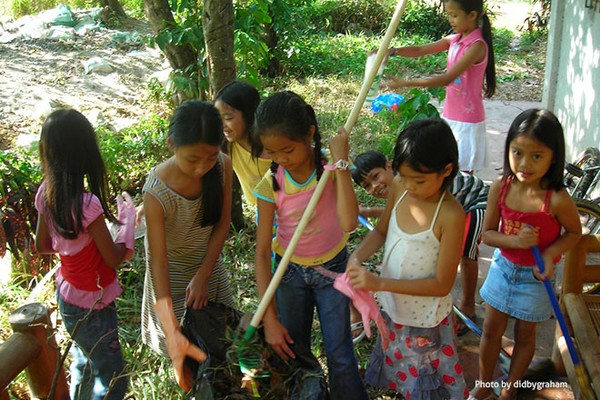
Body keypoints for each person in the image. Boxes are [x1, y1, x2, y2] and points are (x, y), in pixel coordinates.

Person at [251, 91, 367, 399]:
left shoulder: (329, 171)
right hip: (290, 275)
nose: (281, 159)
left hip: (333, 271)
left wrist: (342, 163)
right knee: (295, 353)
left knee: (340, 353)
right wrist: (270, 319)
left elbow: (349, 223)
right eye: (272, 152)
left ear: (310, 134)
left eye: (287, 149)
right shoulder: (272, 184)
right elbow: (262, 253)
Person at [347, 119, 468, 399]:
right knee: (405, 376)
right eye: (404, 176)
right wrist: (357, 256)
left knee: (426, 384)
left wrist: (379, 282)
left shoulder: (450, 215)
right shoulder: (401, 187)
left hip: (426, 321)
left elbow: (441, 285)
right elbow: (381, 230)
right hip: (393, 311)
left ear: (446, 170)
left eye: (420, 180)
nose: (410, 185)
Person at [471, 109, 582, 400]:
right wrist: (516, 241)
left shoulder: (556, 199)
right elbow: (488, 234)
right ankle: (483, 384)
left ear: (554, 157)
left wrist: (550, 254)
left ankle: (511, 389)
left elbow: (573, 233)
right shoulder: (501, 187)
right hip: (503, 268)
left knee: (525, 336)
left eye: (536, 156)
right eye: (517, 152)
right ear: (508, 148)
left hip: (536, 278)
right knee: (491, 329)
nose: (524, 163)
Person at [34, 108, 134, 400]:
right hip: (94, 305)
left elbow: (42, 245)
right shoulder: (87, 206)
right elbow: (115, 258)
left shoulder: (46, 193)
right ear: (85, 154)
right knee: (111, 376)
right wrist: (127, 222)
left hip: (67, 296)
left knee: (84, 361)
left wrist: (70, 248)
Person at [140, 100, 236, 393]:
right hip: (172, 278)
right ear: (171, 144)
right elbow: (158, 264)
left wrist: (204, 275)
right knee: (188, 365)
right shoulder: (156, 192)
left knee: (224, 343)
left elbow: (222, 223)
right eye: (192, 158)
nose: (201, 167)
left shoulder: (222, 165)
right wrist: (171, 332)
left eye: (209, 157)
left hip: (208, 268)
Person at [352, 150, 489, 336]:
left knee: (466, 254)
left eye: (375, 176)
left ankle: (468, 305)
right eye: (367, 186)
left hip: (476, 201)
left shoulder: (412, 182)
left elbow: (422, 211)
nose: (374, 186)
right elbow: (399, 212)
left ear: (389, 164)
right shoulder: (403, 186)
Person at [381, 0, 496, 173]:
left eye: (454, 15)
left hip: (467, 121)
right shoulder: (455, 40)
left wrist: (406, 83)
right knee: (447, 170)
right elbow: (420, 50)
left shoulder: (476, 46)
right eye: (449, 14)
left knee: (462, 174)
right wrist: (393, 51)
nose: (450, 19)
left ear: (472, 15)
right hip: (451, 115)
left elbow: (447, 78)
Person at [214, 80, 271, 208]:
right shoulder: (227, 147)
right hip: (261, 211)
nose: (222, 125)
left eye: (228, 118)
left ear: (249, 114)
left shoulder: (272, 145)